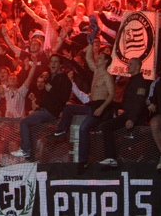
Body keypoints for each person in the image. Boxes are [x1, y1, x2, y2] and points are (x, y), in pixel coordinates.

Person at [47, 43, 115, 174]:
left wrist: (102, 108)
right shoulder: (96, 72)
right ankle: (61, 131)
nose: (98, 59)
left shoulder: (107, 76)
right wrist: (90, 42)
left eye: (100, 58)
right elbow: (89, 58)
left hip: (101, 106)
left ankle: (83, 162)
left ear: (106, 61)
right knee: (68, 108)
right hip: (92, 105)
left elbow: (112, 95)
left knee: (83, 128)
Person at [11, 53, 72, 159]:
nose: (53, 64)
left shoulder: (64, 80)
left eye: (55, 62)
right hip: (44, 110)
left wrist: (51, 90)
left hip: (50, 113)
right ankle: (31, 157)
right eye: (51, 61)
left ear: (60, 65)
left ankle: (25, 150)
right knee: (33, 130)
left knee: (24, 122)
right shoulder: (50, 78)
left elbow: (63, 98)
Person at [99, 57, 151, 168]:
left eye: (131, 64)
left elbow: (139, 101)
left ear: (137, 66)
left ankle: (111, 157)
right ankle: (112, 157)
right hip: (128, 114)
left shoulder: (140, 82)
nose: (128, 66)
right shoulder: (133, 80)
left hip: (133, 117)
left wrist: (132, 118)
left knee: (107, 127)